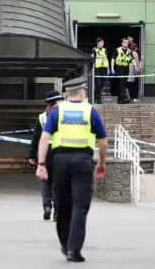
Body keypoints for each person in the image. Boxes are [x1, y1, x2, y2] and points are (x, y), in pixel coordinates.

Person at [35, 76, 108, 262]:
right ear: (82, 93)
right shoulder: (90, 111)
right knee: (80, 205)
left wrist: (41, 164)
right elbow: (103, 141)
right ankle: (73, 249)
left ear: (66, 94)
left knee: (62, 204)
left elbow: (44, 138)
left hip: (59, 161)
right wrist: (102, 162)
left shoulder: (57, 112)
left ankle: (65, 243)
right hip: (83, 161)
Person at [29, 90, 65, 221]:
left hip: (44, 152)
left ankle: (47, 206)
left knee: (45, 181)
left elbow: (36, 137)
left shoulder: (42, 117)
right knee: (57, 182)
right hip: (58, 151)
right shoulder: (63, 115)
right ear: (58, 101)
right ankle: (57, 211)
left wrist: (32, 155)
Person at [111, 38, 138, 104]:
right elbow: (113, 59)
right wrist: (112, 68)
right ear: (122, 43)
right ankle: (124, 97)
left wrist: (135, 66)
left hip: (126, 68)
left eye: (127, 42)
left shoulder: (129, 51)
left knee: (124, 83)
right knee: (122, 82)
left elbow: (132, 59)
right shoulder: (118, 50)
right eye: (125, 42)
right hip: (119, 68)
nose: (126, 44)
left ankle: (120, 100)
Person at [90, 37, 110, 104]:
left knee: (102, 84)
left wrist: (108, 68)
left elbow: (106, 59)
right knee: (98, 83)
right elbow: (92, 59)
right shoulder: (94, 50)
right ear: (98, 43)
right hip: (97, 68)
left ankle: (95, 94)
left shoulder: (104, 50)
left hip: (104, 68)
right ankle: (99, 99)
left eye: (103, 42)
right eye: (102, 42)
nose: (103, 43)